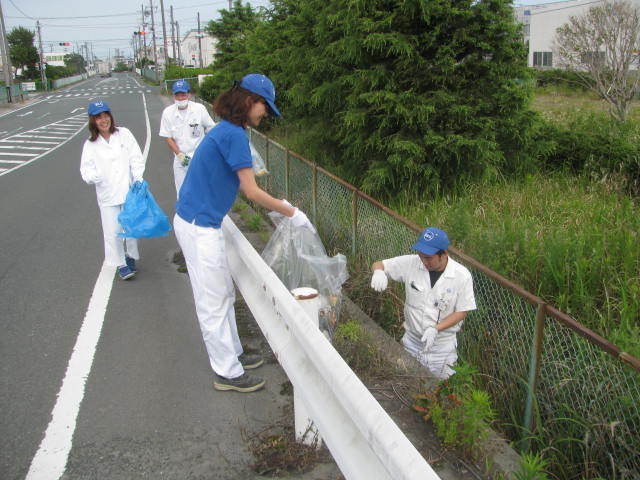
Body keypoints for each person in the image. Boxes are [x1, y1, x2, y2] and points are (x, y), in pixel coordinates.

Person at [174, 74, 315, 393]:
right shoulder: (234, 134)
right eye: (265, 105)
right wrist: (291, 212)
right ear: (250, 100)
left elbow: (242, 183)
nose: (265, 113)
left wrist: (280, 208)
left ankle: (234, 353)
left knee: (223, 291)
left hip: (201, 221)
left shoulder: (229, 129)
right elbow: (250, 191)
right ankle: (227, 371)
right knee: (212, 299)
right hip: (199, 225)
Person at [370, 227, 476, 379]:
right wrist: (378, 272)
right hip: (412, 344)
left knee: (440, 393)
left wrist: (436, 328)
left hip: (442, 350)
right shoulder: (412, 264)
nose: (423, 261)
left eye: (428, 257)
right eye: (421, 255)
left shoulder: (461, 276)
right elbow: (379, 264)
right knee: (407, 385)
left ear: (444, 254)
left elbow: (463, 311)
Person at [80, 101, 146, 280]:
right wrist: (94, 176)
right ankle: (121, 264)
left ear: (110, 115)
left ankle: (131, 256)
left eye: (105, 115)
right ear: (93, 121)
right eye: (98, 117)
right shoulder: (90, 144)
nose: (103, 120)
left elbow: (136, 157)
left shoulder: (123, 134)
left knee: (131, 227)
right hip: (107, 194)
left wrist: (138, 178)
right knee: (113, 230)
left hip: (128, 190)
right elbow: (85, 170)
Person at [159, 79, 215, 195]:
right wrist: (179, 154)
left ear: (189, 94)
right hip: (181, 159)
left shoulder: (199, 109)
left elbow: (211, 128)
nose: (180, 98)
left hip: (199, 157)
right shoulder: (168, 113)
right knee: (182, 194)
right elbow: (168, 137)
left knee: (202, 192)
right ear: (173, 95)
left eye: (183, 95)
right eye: (177, 95)